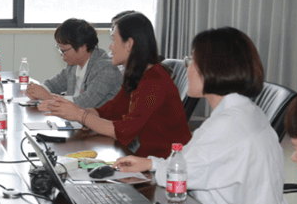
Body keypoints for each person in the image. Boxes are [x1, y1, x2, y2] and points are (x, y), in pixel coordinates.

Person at [115, 27, 288, 204]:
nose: (187, 69)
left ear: (212, 69)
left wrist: (156, 167)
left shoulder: (228, 125)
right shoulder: (246, 112)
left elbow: (177, 176)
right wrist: (151, 163)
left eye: (192, 61)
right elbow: (191, 163)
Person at [45, 11, 190, 158]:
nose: (110, 47)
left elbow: (124, 130)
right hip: (145, 157)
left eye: (114, 40)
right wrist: (76, 112)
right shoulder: (136, 76)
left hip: (166, 162)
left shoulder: (153, 82)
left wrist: (80, 115)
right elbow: (111, 110)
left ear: (129, 44)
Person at [25, 18, 121, 108]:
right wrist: (36, 90)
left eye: (63, 50)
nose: (61, 54)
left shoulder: (106, 69)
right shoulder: (74, 65)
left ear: (82, 47)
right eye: (59, 49)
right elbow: (53, 84)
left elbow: (86, 103)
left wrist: (48, 97)